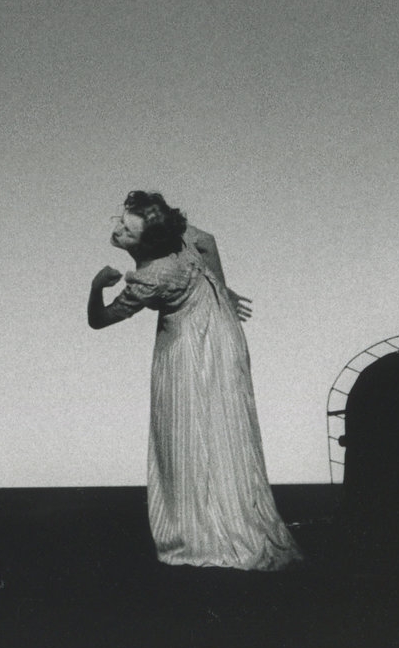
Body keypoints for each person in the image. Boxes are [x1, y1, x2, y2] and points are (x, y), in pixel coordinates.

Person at [88, 190, 304, 571]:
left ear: (147, 241)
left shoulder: (150, 277)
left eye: (127, 230)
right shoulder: (178, 235)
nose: (118, 230)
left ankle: (202, 533)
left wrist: (96, 286)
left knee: (186, 434)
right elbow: (207, 240)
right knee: (223, 430)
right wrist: (222, 288)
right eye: (121, 223)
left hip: (189, 350)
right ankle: (230, 517)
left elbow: (100, 320)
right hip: (222, 333)